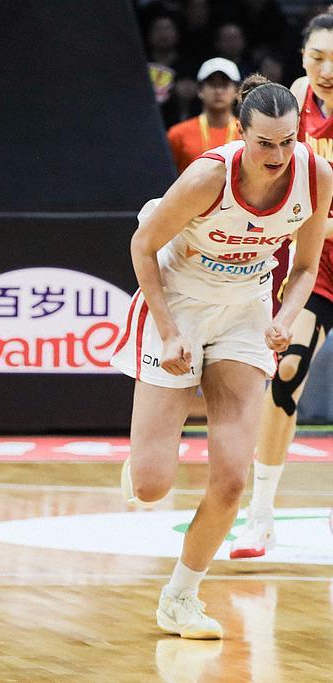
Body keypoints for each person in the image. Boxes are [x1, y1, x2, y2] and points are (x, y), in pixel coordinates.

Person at [111, 75, 332, 639]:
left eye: (288, 141)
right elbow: (142, 246)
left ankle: (180, 597)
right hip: (178, 300)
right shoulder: (209, 176)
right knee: (151, 487)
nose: (278, 155)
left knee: (232, 478)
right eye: (265, 143)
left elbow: (306, 266)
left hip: (245, 309)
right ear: (240, 132)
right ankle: (141, 462)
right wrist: (169, 331)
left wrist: (284, 317)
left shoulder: (315, 175)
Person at [233, 7, 333, 558]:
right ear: (302, 57)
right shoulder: (295, 101)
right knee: (286, 371)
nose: (326, 70)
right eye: (317, 57)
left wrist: (313, 217)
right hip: (317, 268)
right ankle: (261, 515)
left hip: (317, 239)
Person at [166, 58, 241, 173]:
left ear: (237, 91)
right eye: (212, 84)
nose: (218, 90)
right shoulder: (177, 134)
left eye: (224, 84)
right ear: (200, 90)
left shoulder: (248, 134)